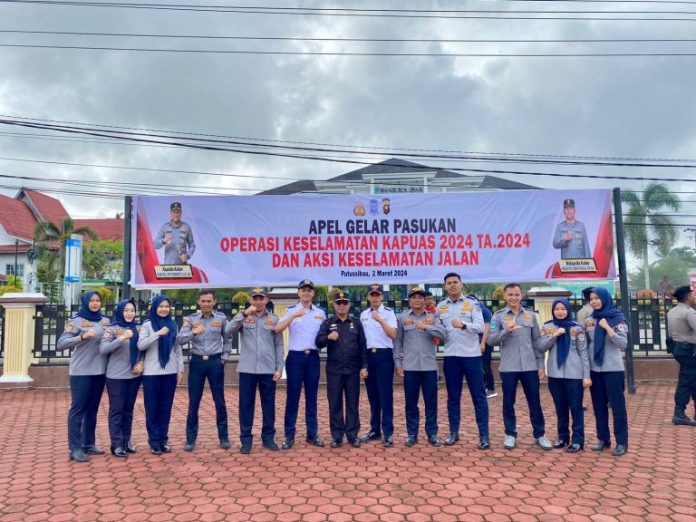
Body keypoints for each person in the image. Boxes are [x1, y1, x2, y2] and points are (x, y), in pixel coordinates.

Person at [488, 283, 552, 451]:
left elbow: (537, 343)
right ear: (505, 296)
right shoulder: (498, 316)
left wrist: (540, 365)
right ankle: (510, 434)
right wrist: (506, 331)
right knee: (508, 402)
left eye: (516, 294)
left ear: (521, 296)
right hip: (509, 367)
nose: (514, 298)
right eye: (510, 295)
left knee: (535, 401)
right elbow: (491, 340)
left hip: (530, 366)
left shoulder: (530, 316)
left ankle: (540, 434)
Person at [226, 288, 285, 453]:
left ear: (266, 300)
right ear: (250, 300)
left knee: (269, 405)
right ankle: (246, 440)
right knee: (246, 406)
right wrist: (243, 314)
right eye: (255, 298)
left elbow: (279, 345)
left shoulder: (274, 319)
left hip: (268, 369)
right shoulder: (243, 318)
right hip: (247, 369)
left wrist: (279, 367)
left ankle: (268, 438)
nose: (258, 302)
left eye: (261, 298)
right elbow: (227, 331)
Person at [437, 273, 490, 449]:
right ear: (445, 286)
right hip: (451, 357)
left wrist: (464, 325)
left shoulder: (472, 304)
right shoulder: (441, 307)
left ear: (461, 285)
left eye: (455, 282)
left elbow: (481, 327)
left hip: (471, 357)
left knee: (478, 396)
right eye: (449, 283)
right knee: (453, 397)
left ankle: (484, 435)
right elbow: (438, 329)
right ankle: (453, 432)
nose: (452, 285)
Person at [58, 290, 109, 462]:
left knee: (92, 409)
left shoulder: (105, 321)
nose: (95, 303)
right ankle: (75, 448)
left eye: (97, 300)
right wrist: (81, 337)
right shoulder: (76, 321)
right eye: (92, 300)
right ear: (86, 302)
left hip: (100, 371)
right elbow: (61, 343)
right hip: (81, 372)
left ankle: (89, 443)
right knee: (78, 409)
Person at [178, 289, 232, 452]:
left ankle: (224, 437)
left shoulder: (221, 318)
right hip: (197, 362)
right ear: (198, 302)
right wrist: (193, 332)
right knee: (194, 402)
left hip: (215, 362)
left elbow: (228, 338)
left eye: (209, 301)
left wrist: (225, 358)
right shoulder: (191, 319)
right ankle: (190, 439)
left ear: (214, 302)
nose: (206, 304)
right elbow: (180, 340)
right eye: (203, 301)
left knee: (219, 401)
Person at [275, 279, 326, 449]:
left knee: (312, 398)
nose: (306, 293)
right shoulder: (290, 310)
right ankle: (289, 435)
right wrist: (293, 316)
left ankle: (312, 434)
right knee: (293, 397)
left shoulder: (320, 313)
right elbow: (278, 328)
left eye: (309, 290)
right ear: (298, 293)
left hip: (313, 358)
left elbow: (323, 335)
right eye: (303, 290)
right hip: (295, 358)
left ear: (313, 293)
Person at [394, 287, 446, 447]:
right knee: (411, 402)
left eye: (420, 297)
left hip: (429, 366)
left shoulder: (433, 317)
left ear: (424, 300)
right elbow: (397, 342)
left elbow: (443, 335)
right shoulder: (402, 318)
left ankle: (432, 433)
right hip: (410, 367)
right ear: (409, 301)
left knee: (431, 402)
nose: (417, 300)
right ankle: (412, 433)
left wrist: (426, 327)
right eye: (414, 297)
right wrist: (398, 363)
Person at [538, 298, 591, 452]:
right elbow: (541, 347)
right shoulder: (548, 327)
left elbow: (583, 352)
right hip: (555, 374)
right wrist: (554, 335)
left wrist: (586, 375)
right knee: (560, 408)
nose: (560, 312)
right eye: (557, 309)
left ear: (568, 310)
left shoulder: (577, 328)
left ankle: (578, 439)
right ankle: (562, 437)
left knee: (576, 408)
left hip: (574, 374)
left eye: (563, 309)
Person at [316, 291, 368, 448]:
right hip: (334, 370)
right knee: (335, 403)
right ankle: (337, 436)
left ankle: (352, 435)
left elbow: (363, 346)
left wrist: (364, 366)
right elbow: (318, 342)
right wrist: (327, 337)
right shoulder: (328, 323)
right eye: (339, 302)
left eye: (345, 302)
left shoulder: (356, 323)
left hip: (352, 369)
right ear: (334, 305)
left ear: (349, 305)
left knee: (353, 403)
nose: (342, 305)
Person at [584, 287, 629, 456]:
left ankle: (621, 442)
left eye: (597, 298)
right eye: (591, 299)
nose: (594, 301)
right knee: (598, 405)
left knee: (617, 406)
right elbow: (586, 344)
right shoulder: (589, 320)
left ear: (605, 298)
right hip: (595, 369)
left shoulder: (617, 318)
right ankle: (603, 438)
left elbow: (623, 344)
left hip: (613, 369)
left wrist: (608, 328)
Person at [137, 294, 184, 455]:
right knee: (152, 408)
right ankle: (154, 442)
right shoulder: (148, 324)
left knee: (166, 408)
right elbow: (141, 345)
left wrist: (179, 369)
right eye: (161, 306)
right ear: (155, 308)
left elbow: (177, 348)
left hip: (169, 371)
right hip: (151, 373)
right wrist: (157, 334)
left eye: (166, 306)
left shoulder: (173, 324)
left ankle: (163, 440)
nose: (164, 309)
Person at [99, 299, 144, 458]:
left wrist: (142, 362)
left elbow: (144, 349)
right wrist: (121, 338)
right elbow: (103, 349)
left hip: (134, 375)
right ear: (120, 311)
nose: (130, 313)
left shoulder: (139, 328)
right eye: (126, 310)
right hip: (116, 376)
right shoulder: (112, 329)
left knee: (128, 409)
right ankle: (116, 444)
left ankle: (126, 440)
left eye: (132, 310)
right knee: (117, 409)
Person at [359, 284, 398, 447]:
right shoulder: (363, 315)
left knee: (385, 396)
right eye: (372, 294)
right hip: (369, 357)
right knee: (373, 396)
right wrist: (363, 364)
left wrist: (381, 320)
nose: (375, 297)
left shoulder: (388, 313)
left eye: (377, 294)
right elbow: (361, 340)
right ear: (368, 297)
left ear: (382, 296)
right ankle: (375, 430)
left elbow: (393, 334)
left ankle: (387, 432)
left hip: (384, 356)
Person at [666, 286, 696, 426]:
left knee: (692, 379)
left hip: (678, 349)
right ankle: (679, 414)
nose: (694, 297)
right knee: (686, 381)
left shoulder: (672, 311)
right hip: (689, 350)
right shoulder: (688, 312)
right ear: (688, 297)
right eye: (692, 295)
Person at [474, 297, 496, 399]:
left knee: (485, 366)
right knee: (479, 366)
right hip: (476, 342)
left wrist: (483, 343)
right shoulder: (473, 310)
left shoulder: (484, 310)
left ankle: (490, 388)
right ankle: (483, 387)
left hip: (485, 342)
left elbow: (487, 328)